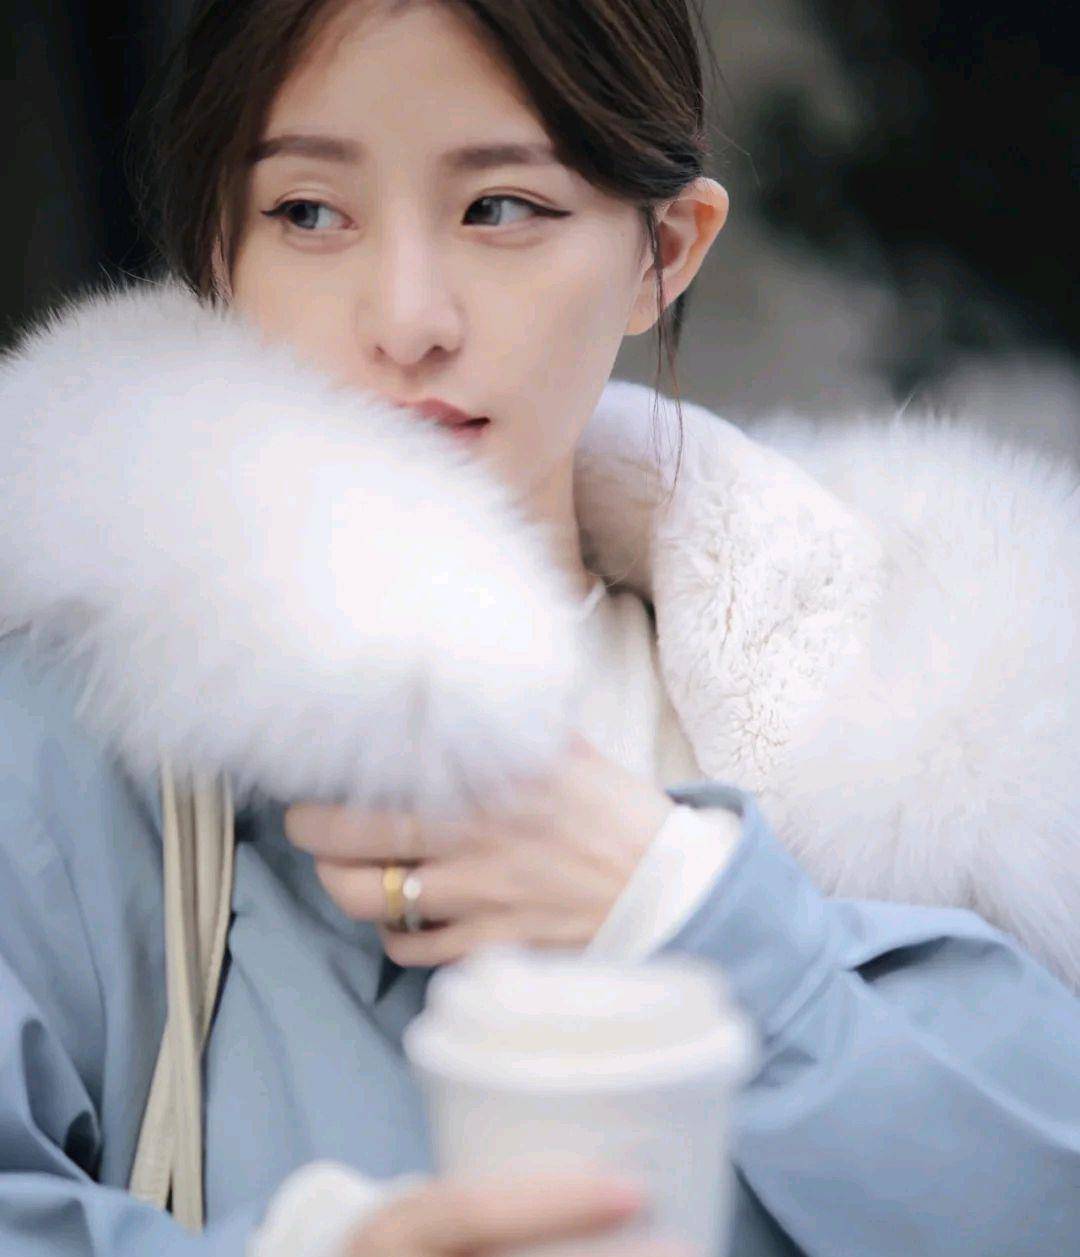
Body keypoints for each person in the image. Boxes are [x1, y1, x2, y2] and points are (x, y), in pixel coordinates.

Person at [1, 1, 1078, 1255]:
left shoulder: (923, 747)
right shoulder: (77, 732)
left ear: (663, 253)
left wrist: (689, 905)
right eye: (308, 213)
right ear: (216, 254)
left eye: (501, 207)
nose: (408, 319)